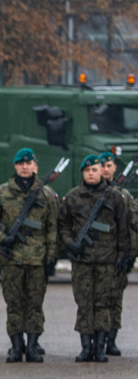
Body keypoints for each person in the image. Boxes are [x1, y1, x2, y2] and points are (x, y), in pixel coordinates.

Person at [0, 148, 59, 363]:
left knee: (35, 304)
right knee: (14, 304)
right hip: (12, 258)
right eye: (20, 163)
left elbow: (52, 227)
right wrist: (2, 237)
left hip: (37, 259)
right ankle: (17, 346)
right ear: (15, 166)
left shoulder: (46, 194)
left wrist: (51, 257)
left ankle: (33, 345)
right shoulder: (2, 193)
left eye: (28, 163)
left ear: (34, 165)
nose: (25, 166)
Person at [58, 154, 131, 362]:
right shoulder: (72, 197)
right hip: (82, 260)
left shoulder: (115, 197)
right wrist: (70, 243)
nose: (92, 173)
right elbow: (62, 224)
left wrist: (124, 256)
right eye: (88, 170)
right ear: (83, 173)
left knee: (103, 304)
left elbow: (123, 228)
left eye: (95, 170)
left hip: (107, 260)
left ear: (102, 172)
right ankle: (85, 347)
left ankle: (100, 348)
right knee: (84, 303)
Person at [99, 151, 136, 355]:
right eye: (101, 166)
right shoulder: (87, 193)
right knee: (97, 300)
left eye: (109, 165)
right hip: (97, 256)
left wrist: (130, 254)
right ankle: (95, 340)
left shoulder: (124, 196)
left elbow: (131, 226)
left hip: (118, 256)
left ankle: (111, 340)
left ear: (115, 168)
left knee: (115, 301)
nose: (105, 169)